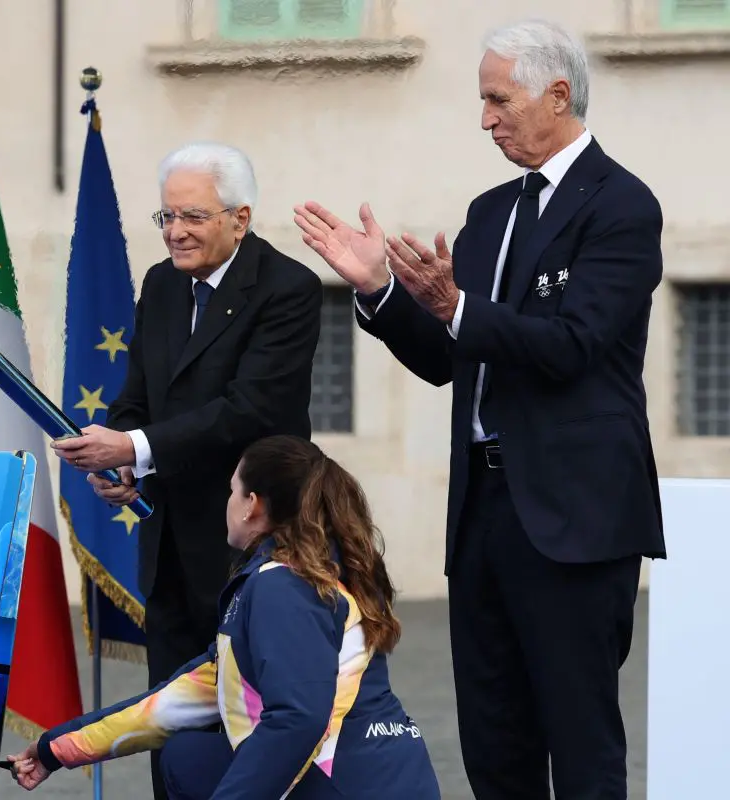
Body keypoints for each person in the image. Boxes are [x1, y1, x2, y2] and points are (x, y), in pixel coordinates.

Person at [293, 19, 665, 800]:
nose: (485, 119)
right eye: (483, 101)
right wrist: (379, 290)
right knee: (494, 747)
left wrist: (458, 308)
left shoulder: (622, 206)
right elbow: (445, 356)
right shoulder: (490, 211)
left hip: (573, 517)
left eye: (499, 100)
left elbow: (573, 345)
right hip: (483, 513)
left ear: (557, 95)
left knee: (582, 745)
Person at [50, 141, 323, 798]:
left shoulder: (289, 289)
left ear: (240, 217)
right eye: (167, 216)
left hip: (252, 550)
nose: (176, 232)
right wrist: (124, 460)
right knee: (170, 724)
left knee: (250, 727)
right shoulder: (161, 284)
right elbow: (139, 393)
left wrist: (135, 448)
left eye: (193, 217)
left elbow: (250, 410)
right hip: (169, 546)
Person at [9, 435, 440, 798]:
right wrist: (54, 750)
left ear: (252, 505)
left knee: (192, 760)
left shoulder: (282, 586)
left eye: (233, 490)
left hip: (350, 783)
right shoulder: (318, 574)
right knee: (191, 756)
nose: (228, 502)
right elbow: (175, 703)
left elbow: (299, 718)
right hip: (379, 774)